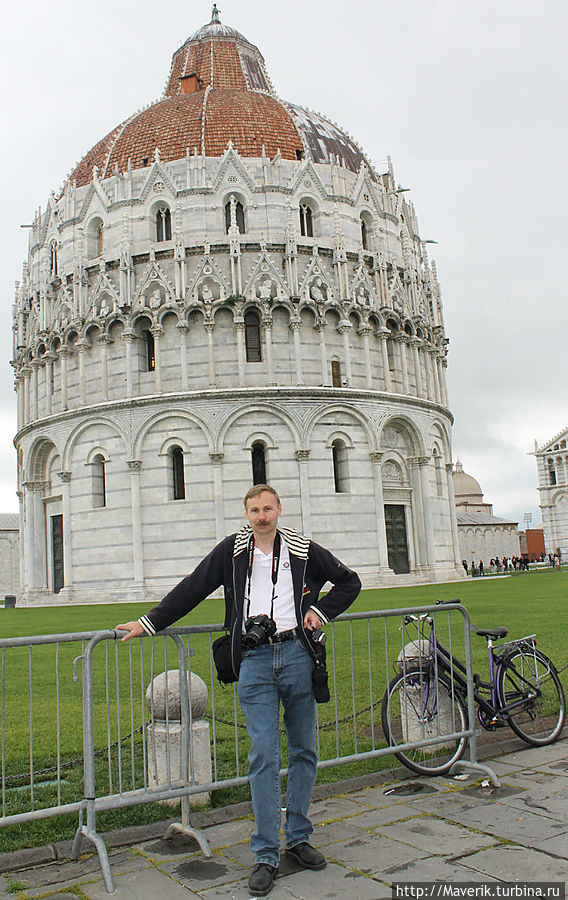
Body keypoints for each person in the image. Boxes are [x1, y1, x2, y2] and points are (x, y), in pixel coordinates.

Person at [117, 484, 361, 897]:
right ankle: (266, 854)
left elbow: (349, 582)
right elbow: (192, 588)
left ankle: (298, 838)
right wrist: (150, 622)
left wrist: (318, 612)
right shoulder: (233, 550)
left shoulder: (302, 549)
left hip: (298, 656)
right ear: (247, 513)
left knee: (304, 750)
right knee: (263, 755)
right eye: (254, 510)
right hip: (256, 662)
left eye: (268, 508)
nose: (262, 516)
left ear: (279, 509)